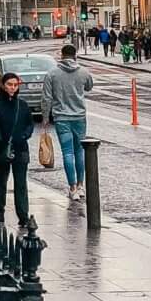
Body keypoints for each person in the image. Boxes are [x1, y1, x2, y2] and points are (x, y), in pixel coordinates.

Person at [0, 72, 36, 228]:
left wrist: (24, 136)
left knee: (20, 184)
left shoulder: (22, 104)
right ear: (3, 85)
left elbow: (30, 124)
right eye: (9, 85)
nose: (12, 88)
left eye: (15, 85)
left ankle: (23, 215)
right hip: (2, 148)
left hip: (20, 148)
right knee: (1, 182)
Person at [48, 42, 94, 200]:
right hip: (79, 117)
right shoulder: (83, 72)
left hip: (61, 117)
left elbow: (46, 97)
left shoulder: (52, 74)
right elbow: (89, 87)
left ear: (61, 55)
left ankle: (72, 187)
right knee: (79, 151)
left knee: (67, 152)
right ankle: (81, 186)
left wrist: (46, 117)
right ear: (75, 55)